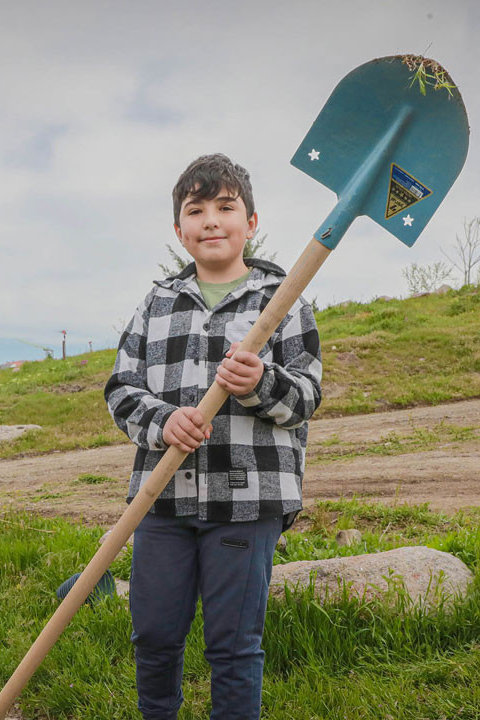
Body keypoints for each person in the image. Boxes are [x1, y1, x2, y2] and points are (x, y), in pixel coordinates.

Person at [104, 153, 323, 719]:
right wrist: (161, 420)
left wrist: (260, 383)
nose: (210, 220)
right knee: (153, 635)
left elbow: (305, 399)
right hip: (162, 499)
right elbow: (121, 388)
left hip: (246, 503)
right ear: (179, 231)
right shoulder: (156, 303)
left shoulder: (283, 299)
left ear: (250, 222)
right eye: (195, 210)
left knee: (232, 644)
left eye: (225, 207)